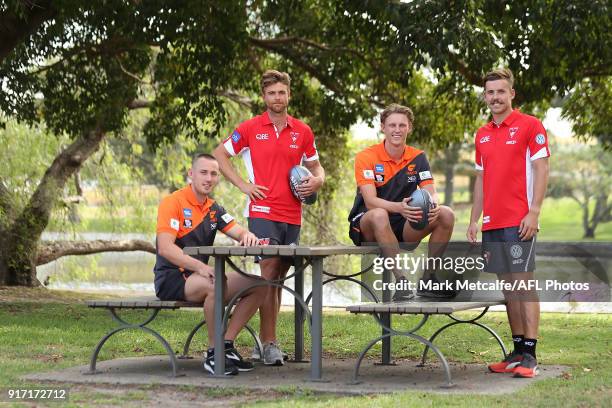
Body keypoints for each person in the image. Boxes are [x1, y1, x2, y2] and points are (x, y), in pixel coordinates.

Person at [213, 69, 325, 366]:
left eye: (282, 92)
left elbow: (317, 168)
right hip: (263, 212)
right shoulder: (250, 128)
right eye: (272, 93)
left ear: (289, 95)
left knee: (277, 279)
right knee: (268, 272)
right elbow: (219, 154)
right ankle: (267, 343)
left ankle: (266, 343)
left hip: (293, 215)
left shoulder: (303, 131)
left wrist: (318, 181)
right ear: (264, 97)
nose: (277, 97)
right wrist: (243, 185)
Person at [467, 68, 550, 378]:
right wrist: (474, 219)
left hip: (520, 220)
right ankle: (517, 350)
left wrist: (534, 211)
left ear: (512, 93)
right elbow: (481, 179)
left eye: (501, 91)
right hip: (492, 223)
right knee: (508, 287)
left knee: (524, 284)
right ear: (485, 96)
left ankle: (531, 353)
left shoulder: (531, 125)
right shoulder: (482, 133)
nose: (495, 97)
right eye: (490, 92)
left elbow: (541, 170)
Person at [154, 153, 266, 376]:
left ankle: (226, 345)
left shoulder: (214, 209)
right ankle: (214, 355)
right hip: (172, 279)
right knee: (216, 282)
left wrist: (248, 235)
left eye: (214, 174)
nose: (209, 178)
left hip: (202, 277)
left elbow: (237, 231)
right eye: (203, 172)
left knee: (261, 285)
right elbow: (166, 248)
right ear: (191, 174)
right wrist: (201, 267)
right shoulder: (173, 202)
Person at [348, 103, 456, 301]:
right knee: (380, 214)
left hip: (403, 221)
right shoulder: (366, 157)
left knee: (446, 213)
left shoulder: (418, 157)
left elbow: (431, 192)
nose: (397, 130)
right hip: (368, 222)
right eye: (392, 125)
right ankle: (401, 282)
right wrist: (399, 207)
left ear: (409, 128)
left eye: (402, 125)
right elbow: (371, 202)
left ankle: (429, 279)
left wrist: (433, 206)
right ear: (383, 127)